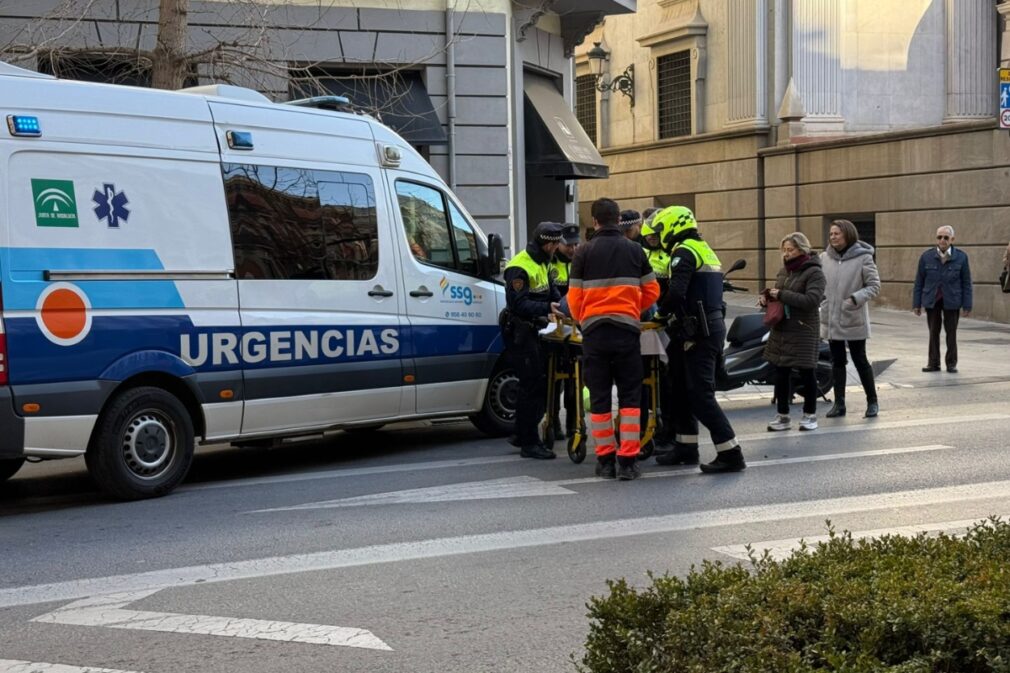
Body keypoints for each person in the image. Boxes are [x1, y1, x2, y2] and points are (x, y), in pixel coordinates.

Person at [568, 199, 660, 480]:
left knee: (599, 398)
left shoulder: (582, 252)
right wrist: (632, 308)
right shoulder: (635, 250)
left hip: (594, 335)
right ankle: (628, 462)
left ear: (594, 221)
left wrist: (585, 319)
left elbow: (574, 297)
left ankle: (605, 460)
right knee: (631, 398)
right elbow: (652, 291)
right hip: (626, 333)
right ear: (618, 219)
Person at [651, 205, 746, 473]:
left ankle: (731, 453)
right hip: (700, 329)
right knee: (679, 388)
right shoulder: (703, 248)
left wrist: (659, 314)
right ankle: (686, 447)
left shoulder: (684, 251)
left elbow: (677, 293)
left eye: (661, 229)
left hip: (698, 332)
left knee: (700, 394)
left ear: (673, 226)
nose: (660, 235)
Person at [502, 222, 564, 460]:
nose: (557, 247)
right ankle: (530, 443)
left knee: (538, 382)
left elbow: (552, 293)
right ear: (549, 244)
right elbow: (517, 304)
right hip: (521, 332)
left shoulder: (543, 263)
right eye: (556, 243)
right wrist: (546, 308)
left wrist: (561, 306)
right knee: (532, 385)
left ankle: (520, 432)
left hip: (537, 332)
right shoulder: (519, 267)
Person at [761, 232, 826, 432]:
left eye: (791, 250)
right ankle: (783, 416)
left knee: (807, 372)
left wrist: (781, 294)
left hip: (803, 328)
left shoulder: (814, 272)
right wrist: (767, 299)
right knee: (781, 372)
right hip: (783, 328)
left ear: (802, 249)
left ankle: (810, 415)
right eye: (785, 250)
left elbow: (812, 301)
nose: (787, 254)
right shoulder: (784, 271)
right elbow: (779, 294)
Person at [820, 219, 881, 418]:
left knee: (860, 359)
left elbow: (874, 286)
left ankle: (872, 401)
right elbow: (819, 284)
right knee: (837, 362)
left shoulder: (863, 258)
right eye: (831, 234)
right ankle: (839, 404)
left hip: (852, 316)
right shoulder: (824, 258)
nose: (833, 237)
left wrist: (854, 299)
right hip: (831, 317)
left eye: (837, 233)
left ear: (847, 234)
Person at [912, 225, 972, 373]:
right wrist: (916, 303)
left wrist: (967, 305)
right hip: (932, 299)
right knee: (933, 332)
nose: (942, 240)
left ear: (952, 239)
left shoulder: (961, 257)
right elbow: (919, 281)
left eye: (946, 237)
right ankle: (933, 363)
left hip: (952, 300)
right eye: (939, 237)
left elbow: (966, 282)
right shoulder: (926, 257)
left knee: (951, 333)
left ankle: (951, 363)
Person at [549, 224, 580, 439]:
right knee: (554, 379)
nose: (573, 248)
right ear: (559, 243)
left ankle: (572, 424)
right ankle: (553, 423)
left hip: (576, 329)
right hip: (555, 329)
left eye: (576, 244)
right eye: (569, 245)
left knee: (575, 380)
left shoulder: (580, 262)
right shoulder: (550, 263)